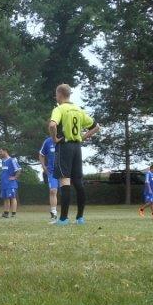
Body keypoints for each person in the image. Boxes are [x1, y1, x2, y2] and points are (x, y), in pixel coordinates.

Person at [48, 83, 100, 225]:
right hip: (77, 148)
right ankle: (80, 218)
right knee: (78, 182)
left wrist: (54, 138)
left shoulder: (59, 109)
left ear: (59, 94)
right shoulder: (78, 109)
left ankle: (63, 219)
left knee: (64, 180)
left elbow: (52, 125)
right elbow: (96, 127)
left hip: (64, 146)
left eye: (56, 94)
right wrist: (83, 137)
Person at [38, 129, 59, 221]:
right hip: (52, 171)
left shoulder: (65, 140)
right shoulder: (47, 141)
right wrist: (44, 167)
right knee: (53, 191)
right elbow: (41, 154)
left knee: (65, 191)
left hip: (64, 171)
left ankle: (65, 214)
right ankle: (54, 212)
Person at [0, 148, 20, 218]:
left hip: (11, 184)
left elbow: (19, 169)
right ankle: (6, 213)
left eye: (0, 151)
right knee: (5, 198)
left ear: (5, 151)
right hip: (4, 184)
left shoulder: (12, 160)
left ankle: (13, 214)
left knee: (13, 197)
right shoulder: (3, 161)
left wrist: (15, 177)